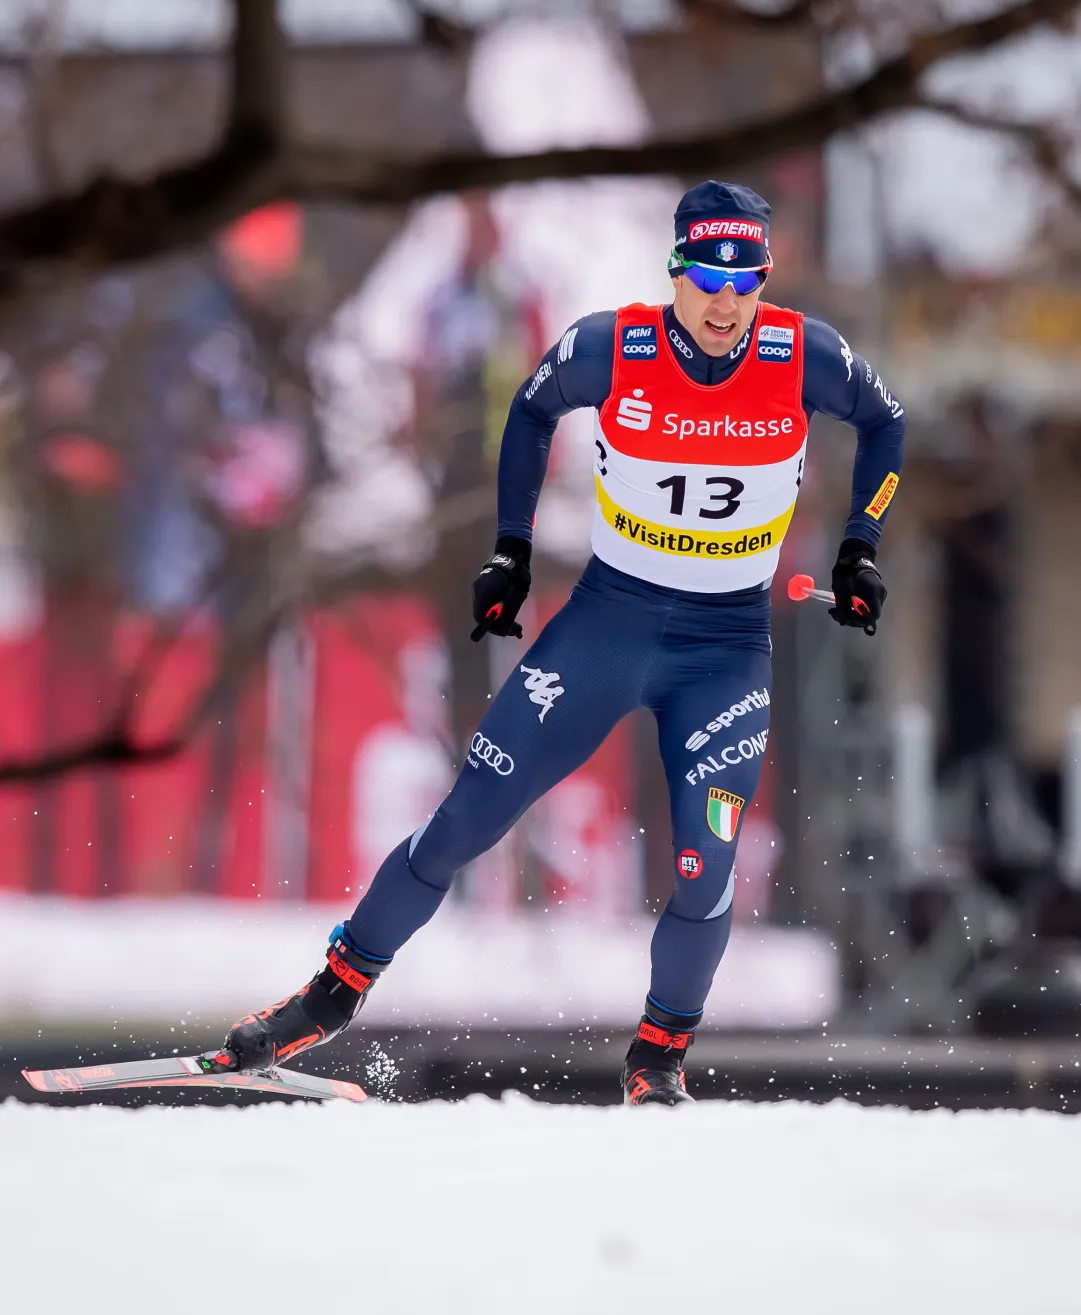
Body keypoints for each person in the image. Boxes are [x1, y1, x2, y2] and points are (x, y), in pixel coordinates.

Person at [205, 181, 905, 1104]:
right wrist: (509, 553)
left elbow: (884, 422)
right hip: (605, 627)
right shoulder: (612, 344)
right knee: (464, 821)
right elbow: (531, 411)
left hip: (722, 649)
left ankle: (657, 1060)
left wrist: (860, 544)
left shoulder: (802, 352)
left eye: (747, 278)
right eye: (708, 273)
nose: (727, 299)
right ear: (676, 270)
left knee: (704, 869)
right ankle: (328, 997)